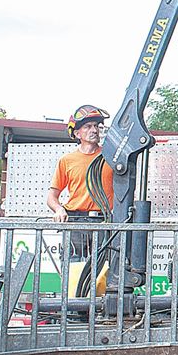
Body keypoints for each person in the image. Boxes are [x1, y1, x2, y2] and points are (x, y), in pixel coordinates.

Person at [47, 105, 115, 259]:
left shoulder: (111, 158)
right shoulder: (67, 161)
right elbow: (51, 197)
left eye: (96, 126)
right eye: (88, 126)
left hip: (104, 221)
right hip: (76, 221)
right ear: (77, 133)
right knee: (73, 271)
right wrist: (58, 209)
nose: (94, 130)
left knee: (104, 270)